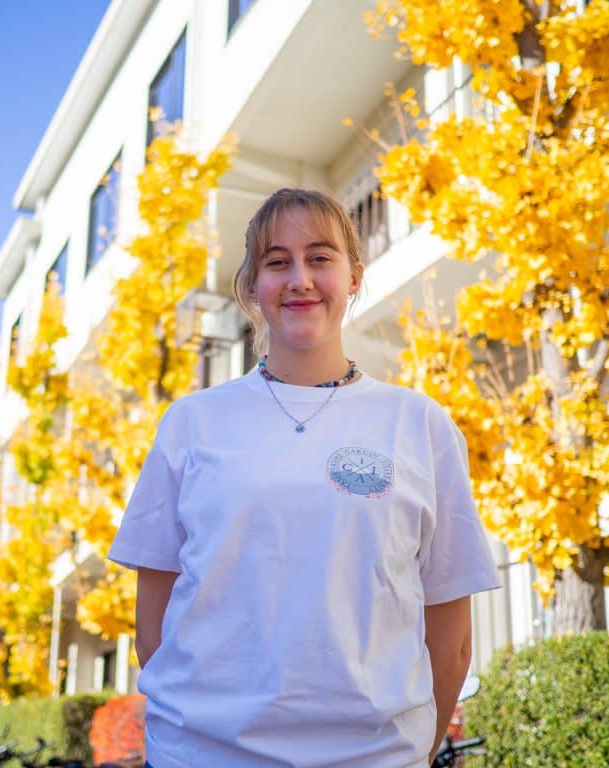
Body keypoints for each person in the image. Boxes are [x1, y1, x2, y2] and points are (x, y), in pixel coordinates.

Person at [108, 188, 501, 768]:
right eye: (276, 262)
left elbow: (451, 636)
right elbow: (153, 626)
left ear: (354, 276)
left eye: (320, 258)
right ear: (250, 286)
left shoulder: (419, 425)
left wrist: (407, 752)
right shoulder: (192, 424)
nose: (299, 279)